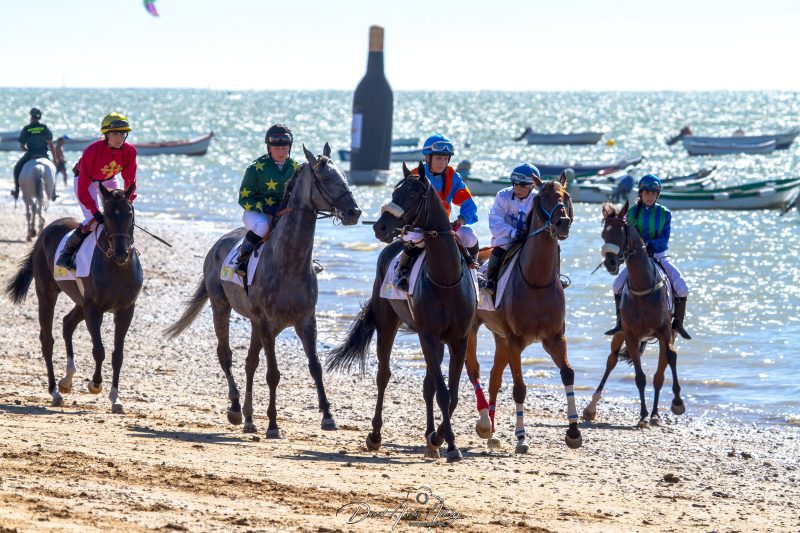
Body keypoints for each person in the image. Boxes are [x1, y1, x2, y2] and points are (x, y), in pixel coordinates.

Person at [605, 174, 691, 339]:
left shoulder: (665, 213)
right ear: (641, 193)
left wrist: (651, 247)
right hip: (637, 258)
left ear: (657, 194)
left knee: (682, 287)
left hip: (659, 255)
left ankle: (678, 324)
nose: (650, 196)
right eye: (647, 192)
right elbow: (629, 237)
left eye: (653, 193)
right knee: (617, 286)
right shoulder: (631, 214)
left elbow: (664, 238)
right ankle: (620, 323)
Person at [395, 134, 479, 291]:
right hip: (418, 227)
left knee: (470, 235)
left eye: (446, 159)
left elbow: (468, 204)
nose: (443, 163)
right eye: (439, 158)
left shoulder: (453, 177)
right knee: (415, 237)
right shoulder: (414, 175)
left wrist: (461, 219)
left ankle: (475, 272)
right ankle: (402, 274)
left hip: (444, 229)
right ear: (428, 158)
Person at [56, 113, 138, 270]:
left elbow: (130, 181)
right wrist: (95, 212)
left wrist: (128, 202)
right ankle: (66, 253)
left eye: (122, 133)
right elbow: (82, 189)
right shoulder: (92, 151)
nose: (119, 137)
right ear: (106, 134)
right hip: (86, 183)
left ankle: (126, 245)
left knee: (122, 215)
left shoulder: (129, 151)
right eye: (115, 133)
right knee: (94, 222)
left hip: (108, 180)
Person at [234, 123, 298, 275]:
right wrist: (266, 208)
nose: (281, 152)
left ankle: (305, 264)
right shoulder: (255, 169)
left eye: (284, 148)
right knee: (263, 226)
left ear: (290, 147)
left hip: (283, 213)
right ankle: (242, 260)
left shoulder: (296, 168)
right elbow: (243, 199)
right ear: (269, 148)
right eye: (277, 148)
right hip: (256, 213)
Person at [483, 163, 540, 295]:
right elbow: (495, 222)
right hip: (507, 237)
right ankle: (490, 281)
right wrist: (513, 232)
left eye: (522, 185)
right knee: (500, 249)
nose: (517, 188)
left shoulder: (538, 198)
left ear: (532, 185)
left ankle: (556, 278)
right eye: (515, 184)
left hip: (529, 238)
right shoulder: (503, 196)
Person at [12, 107, 56, 200]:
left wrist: (27, 150)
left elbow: (22, 146)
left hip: (30, 154)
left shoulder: (27, 129)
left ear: (31, 116)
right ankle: (53, 192)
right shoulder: (44, 128)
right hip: (43, 154)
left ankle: (16, 190)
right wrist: (55, 158)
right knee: (52, 170)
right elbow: (51, 144)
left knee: (17, 168)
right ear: (39, 118)